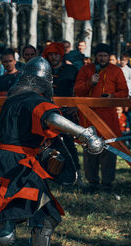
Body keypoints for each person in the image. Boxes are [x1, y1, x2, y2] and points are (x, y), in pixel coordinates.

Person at [0, 57, 105, 246]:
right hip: (14, 169)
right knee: (4, 234)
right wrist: (84, 134)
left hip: (18, 165)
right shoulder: (35, 101)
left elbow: (33, 133)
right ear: (45, 82)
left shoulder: (13, 100)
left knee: (46, 218)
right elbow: (52, 119)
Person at [74, 43, 128, 192]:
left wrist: (112, 96)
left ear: (109, 56)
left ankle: (107, 184)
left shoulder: (116, 71)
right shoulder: (86, 70)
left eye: (105, 55)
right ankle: (92, 183)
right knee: (89, 150)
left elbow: (124, 92)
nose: (102, 58)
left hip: (108, 118)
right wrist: (90, 82)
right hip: (88, 118)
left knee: (108, 151)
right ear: (95, 56)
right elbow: (77, 90)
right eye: (99, 55)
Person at [43, 42, 82, 182]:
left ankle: (76, 174)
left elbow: (79, 90)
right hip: (45, 112)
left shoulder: (71, 70)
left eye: (56, 54)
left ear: (61, 55)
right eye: (51, 54)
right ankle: (47, 175)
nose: (53, 57)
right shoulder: (43, 70)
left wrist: (76, 105)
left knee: (68, 143)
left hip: (66, 113)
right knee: (45, 143)